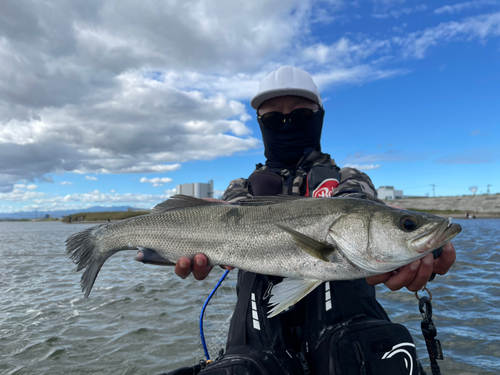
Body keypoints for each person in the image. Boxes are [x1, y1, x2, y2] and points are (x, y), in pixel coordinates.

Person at [154, 66, 456, 374]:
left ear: (319, 118)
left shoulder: (349, 180)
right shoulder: (241, 188)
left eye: (300, 116)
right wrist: (185, 234)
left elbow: (366, 206)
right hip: (255, 345)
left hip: (350, 342)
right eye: (273, 118)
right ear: (260, 124)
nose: (287, 125)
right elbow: (229, 213)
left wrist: (422, 249)